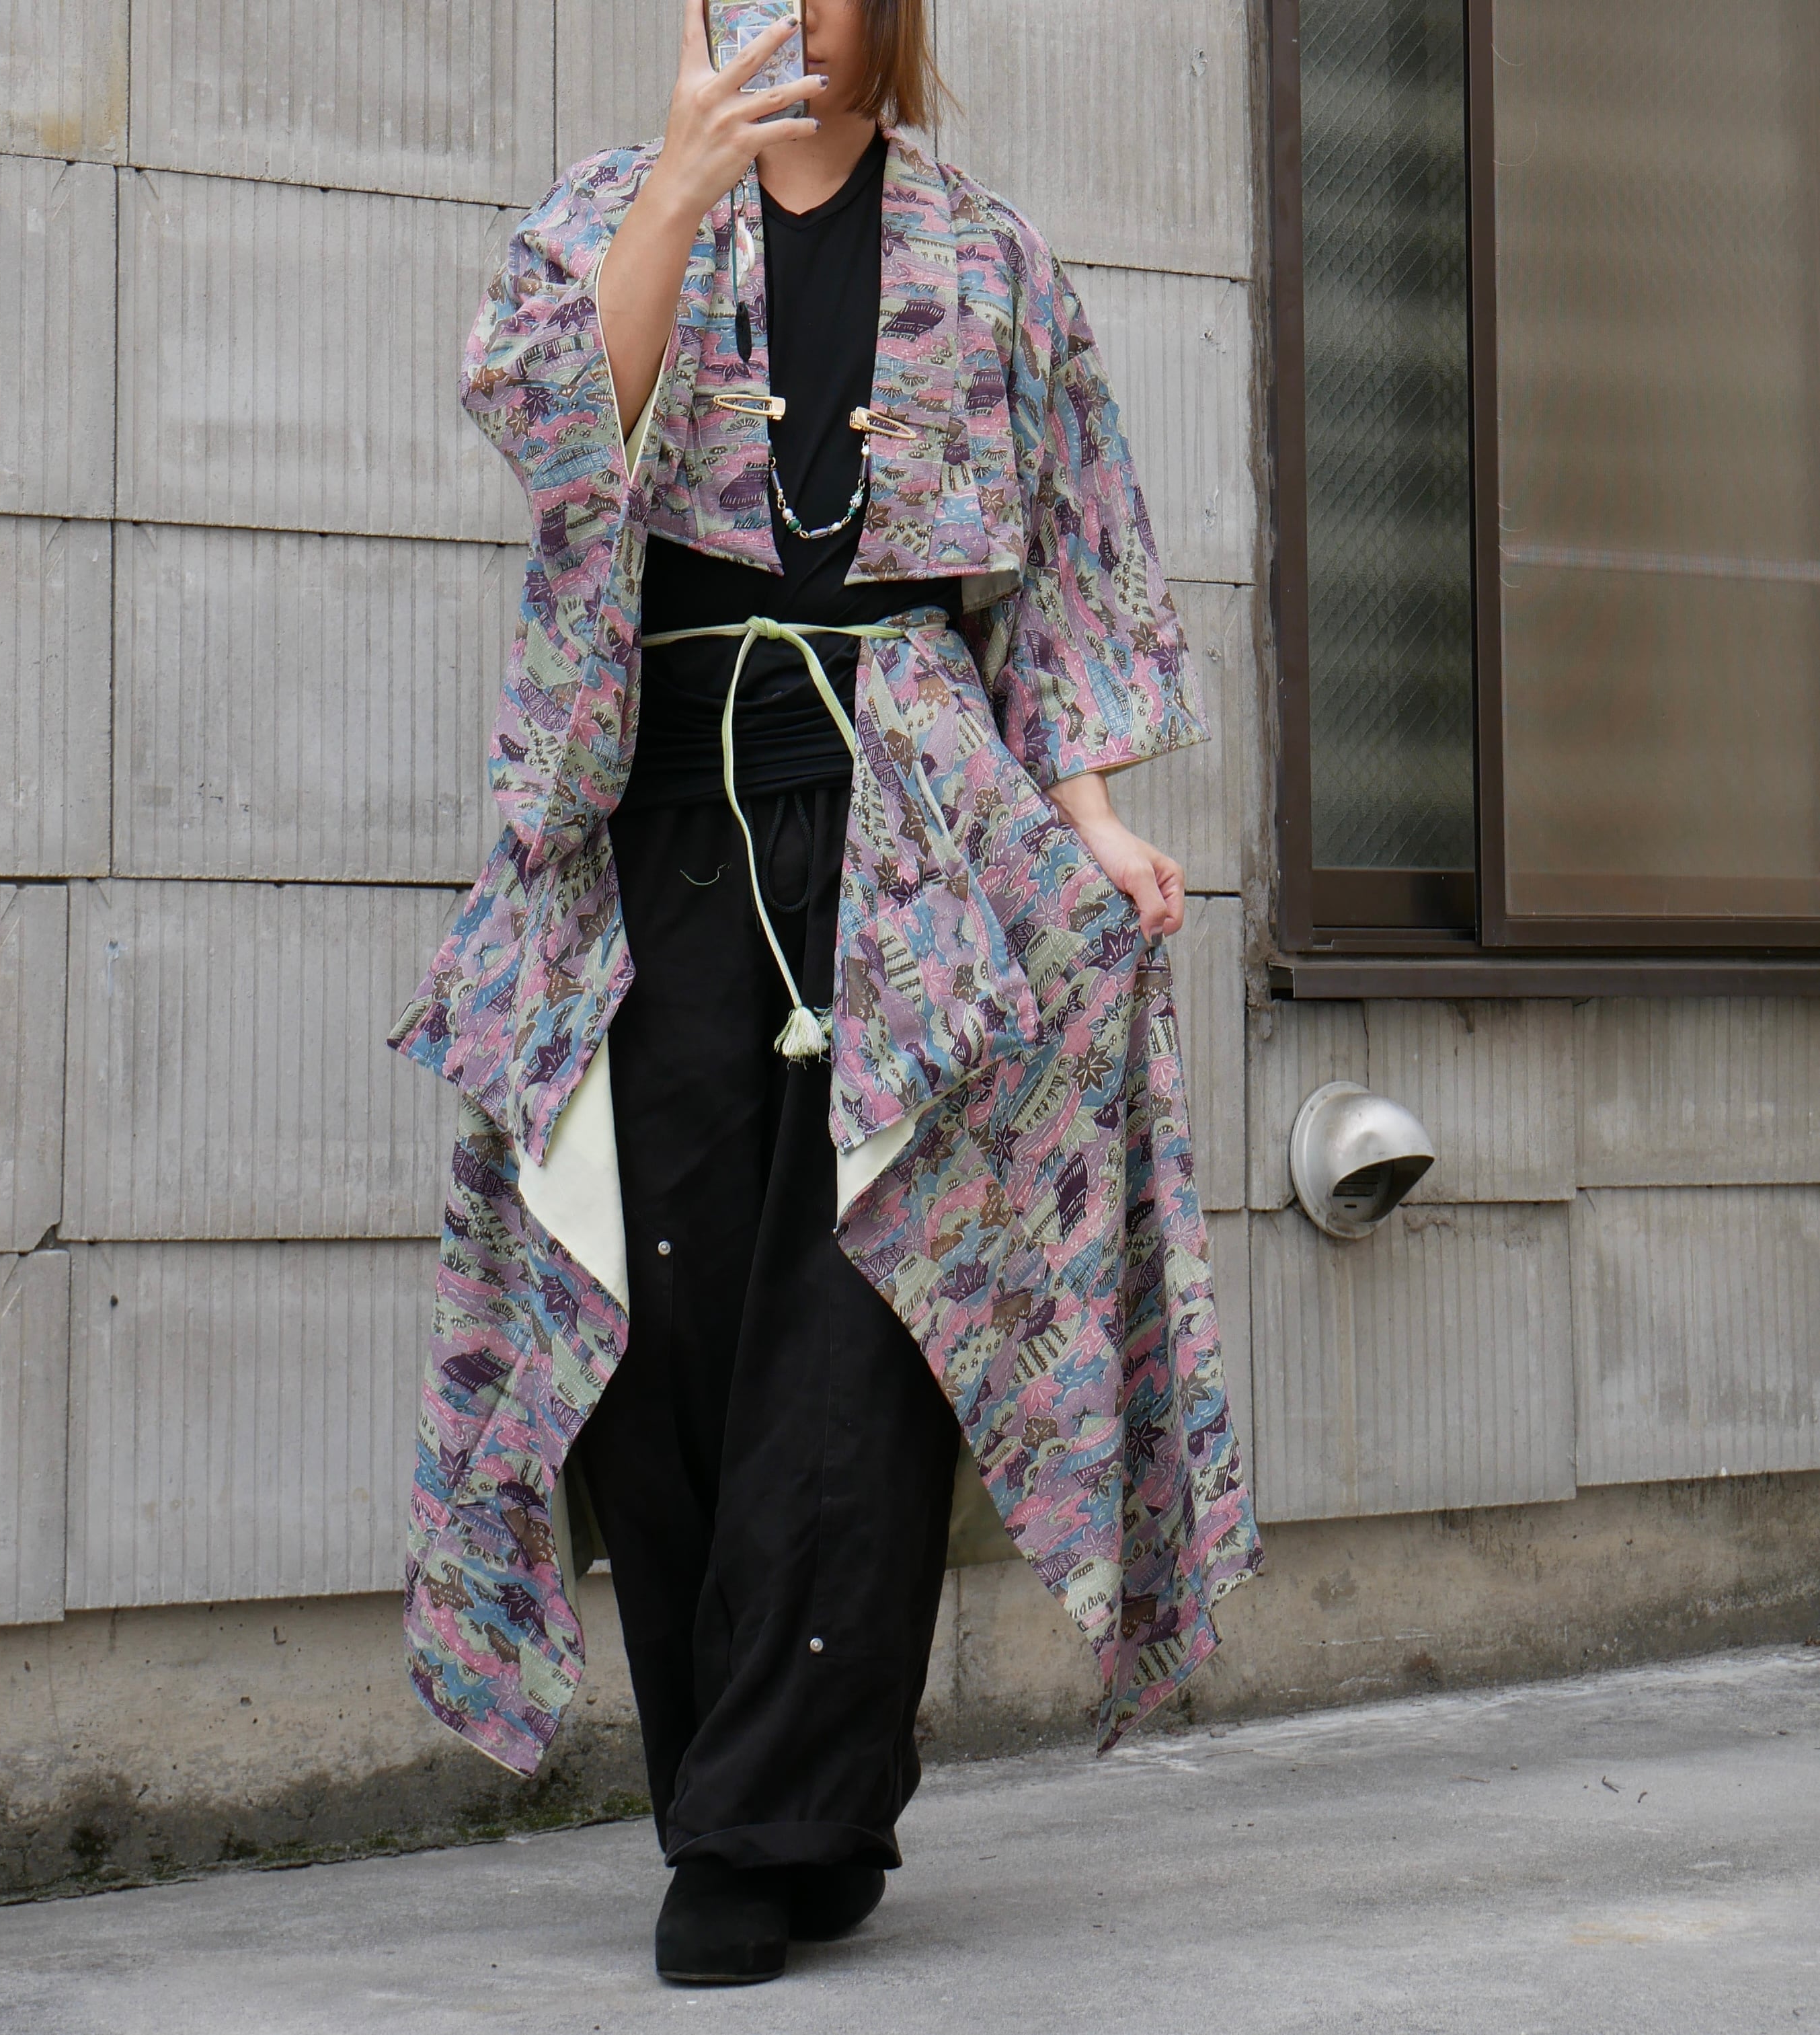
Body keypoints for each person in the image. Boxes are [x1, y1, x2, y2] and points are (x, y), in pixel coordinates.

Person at [389, 0, 1261, 1986]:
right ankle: (773, 1800)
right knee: (663, 1317)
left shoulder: (989, 252)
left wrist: (1090, 815)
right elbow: (551, 437)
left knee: (863, 1325)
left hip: (921, 841)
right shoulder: (608, 211)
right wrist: (677, 191)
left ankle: (758, 1832)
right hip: (656, 835)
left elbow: (1062, 565)